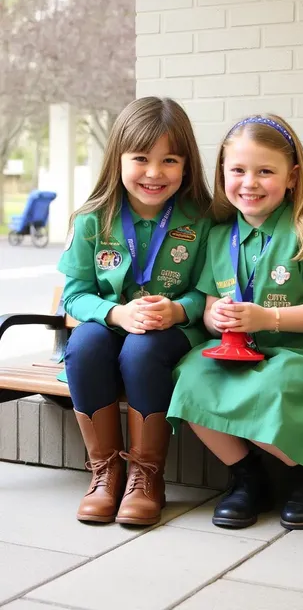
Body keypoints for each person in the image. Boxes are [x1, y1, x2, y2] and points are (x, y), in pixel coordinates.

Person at [167, 114, 303, 531]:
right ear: (222, 173)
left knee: (267, 387)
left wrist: (269, 317)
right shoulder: (220, 236)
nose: (250, 182)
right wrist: (216, 316)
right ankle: (247, 476)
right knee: (189, 374)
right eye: (237, 170)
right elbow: (207, 308)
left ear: (292, 177)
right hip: (246, 354)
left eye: (265, 171)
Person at [57, 97, 212, 525]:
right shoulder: (92, 219)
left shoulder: (202, 219)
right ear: (118, 159)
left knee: (141, 352)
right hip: (113, 327)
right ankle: (106, 471)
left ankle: (147, 476)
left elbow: (211, 294)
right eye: (141, 158)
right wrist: (116, 314)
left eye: (170, 160)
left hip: (172, 334)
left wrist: (178, 310)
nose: (154, 173)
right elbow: (73, 297)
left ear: (186, 165)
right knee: (85, 343)